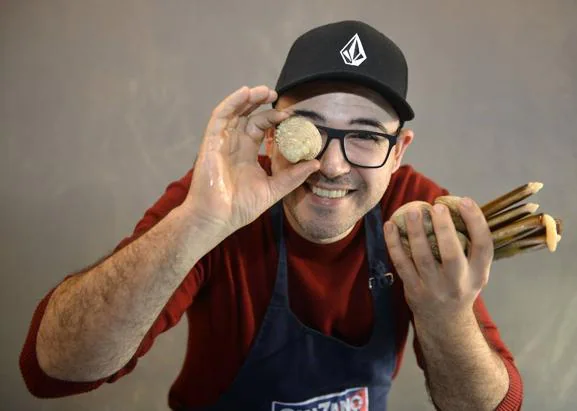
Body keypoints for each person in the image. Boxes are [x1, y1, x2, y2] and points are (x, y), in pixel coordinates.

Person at [19, 20, 523, 410]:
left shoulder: (416, 214)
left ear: (398, 151)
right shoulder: (219, 194)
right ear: (271, 129)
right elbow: (54, 370)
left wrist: (447, 315)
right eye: (308, 127)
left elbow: (492, 406)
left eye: (367, 135)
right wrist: (197, 224)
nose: (331, 165)